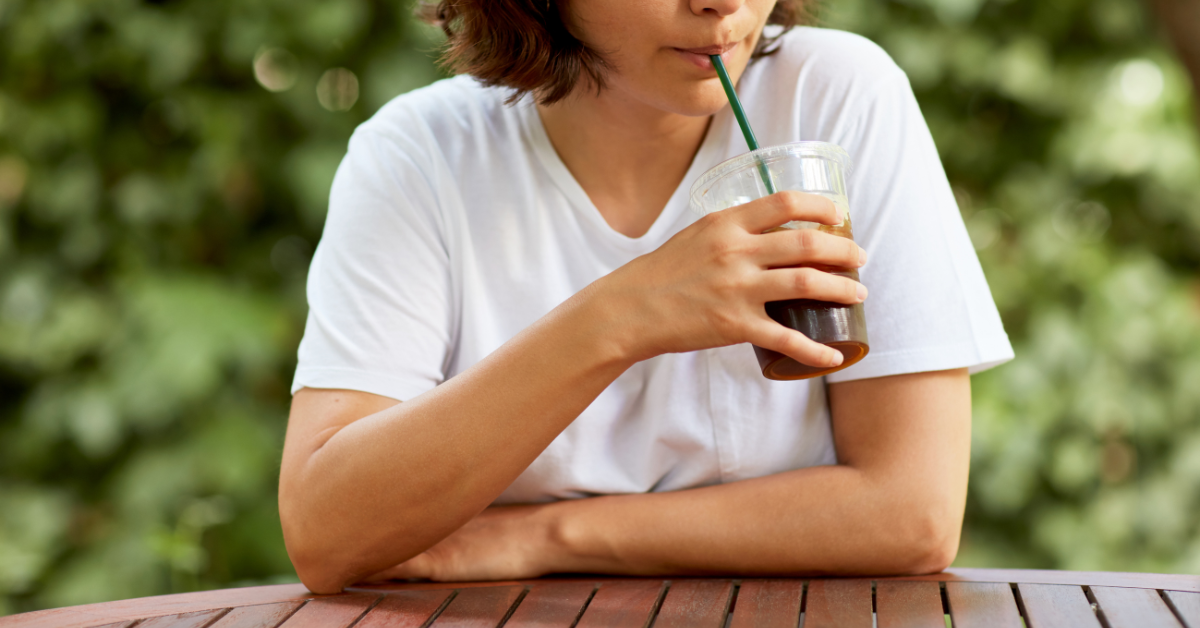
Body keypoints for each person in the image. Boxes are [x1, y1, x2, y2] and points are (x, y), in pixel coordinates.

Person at [279, 0, 1014, 595]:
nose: (721, 5)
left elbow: (909, 514)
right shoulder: (421, 155)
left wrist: (542, 536)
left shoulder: (835, 98)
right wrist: (622, 316)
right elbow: (326, 533)